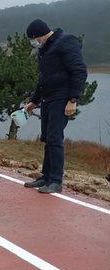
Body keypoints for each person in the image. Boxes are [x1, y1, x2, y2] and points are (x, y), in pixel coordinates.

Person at [23, 19, 87, 194]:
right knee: (47, 138)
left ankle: (56, 181)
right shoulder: (45, 50)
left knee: (55, 138)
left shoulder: (66, 42)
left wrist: (73, 99)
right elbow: (43, 79)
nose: (34, 43)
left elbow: (79, 70)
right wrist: (34, 100)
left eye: (34, 39)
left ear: (41, 34)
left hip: (62, 98)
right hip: (48, 99)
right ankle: (46, 176)